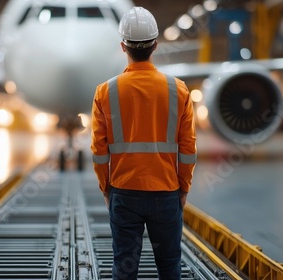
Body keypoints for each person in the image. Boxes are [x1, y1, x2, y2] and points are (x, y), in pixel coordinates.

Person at [90, 7, 197, 280]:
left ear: (123, 46)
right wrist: (182, 188)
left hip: (124, 192)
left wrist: (107, 188)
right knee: (170, 266)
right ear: (155, 45)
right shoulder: (178, 90)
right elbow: (188, 149)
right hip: (166, 192)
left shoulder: (105, 91)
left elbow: (99, 152)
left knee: (124, 267)